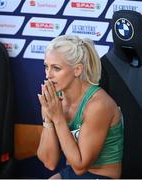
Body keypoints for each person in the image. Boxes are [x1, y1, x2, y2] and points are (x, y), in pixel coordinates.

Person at [37, 35, 124, 179]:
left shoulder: (98, 105)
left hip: (101, 175)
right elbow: (49, 162)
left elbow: (80, 166)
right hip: (71, 172)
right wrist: (48, 118)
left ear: (77, 70)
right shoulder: (55, 101)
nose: (48, 75)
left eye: (56, 68)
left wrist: (58, 118)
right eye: (46, 67)